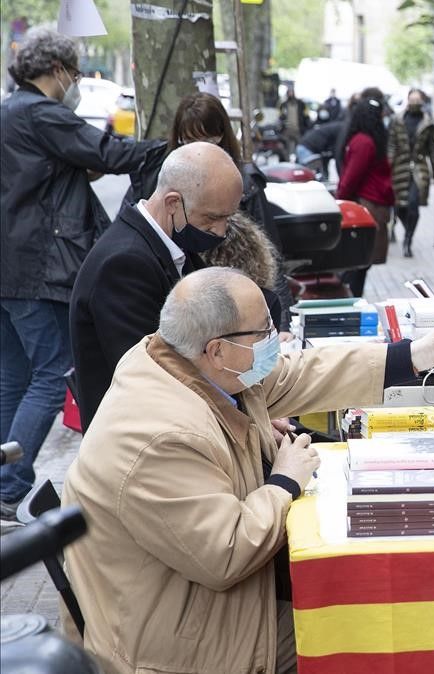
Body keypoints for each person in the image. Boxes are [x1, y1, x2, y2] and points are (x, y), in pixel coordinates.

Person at [61, 267, 434, 674]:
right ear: (216, 349)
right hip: (179, 641)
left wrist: (417, 354)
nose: (273, 342)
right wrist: (284, 481)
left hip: (195, 600)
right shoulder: (161, 434)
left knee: (371, 611)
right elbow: (225, 553)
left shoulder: (191, 365)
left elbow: (299, 374)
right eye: (262, 332)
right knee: (365, 634)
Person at [0, 28, 158, 515]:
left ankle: (1, 481)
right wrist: (166, 150)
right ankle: (9, 486)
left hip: (9, 266)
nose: (77, 80)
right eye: (75, 71)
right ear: (57, 70)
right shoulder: (43, 113)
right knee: (50, 375)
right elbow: (106, 152)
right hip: (41, 266)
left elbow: (54, 169)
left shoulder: (8, 112)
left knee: (12, 377)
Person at [70, 143, 243, 432]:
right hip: (139, 440)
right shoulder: (123, 265)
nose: (221, 231)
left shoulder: (171, 244)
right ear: (173, 203)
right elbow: (160, 373)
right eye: (212, 218)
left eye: (227, 218)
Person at [129, 92, 293, 326]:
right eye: (190, 140)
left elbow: (271, 255)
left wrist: (283, 320)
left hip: (237, 305)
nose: (201, 149)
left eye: (209, 139)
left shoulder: (245, 185)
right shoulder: (158, 183)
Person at [337, 97, 395, 297]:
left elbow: (351, 177)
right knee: (361, 264)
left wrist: (338, 201)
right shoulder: (374, 141)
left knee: (356, 263)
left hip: (365, 205)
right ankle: (354, 300)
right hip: (376, 205)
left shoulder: (362, 142)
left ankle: (350, 302)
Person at [390, 88, 434, 256]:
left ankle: (408, 239)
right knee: (399, 206)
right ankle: (405, 229)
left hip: (419, 168)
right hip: (399, 167)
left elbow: (432, 147)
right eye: (412, 100)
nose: (414, 104)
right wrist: (388, 165)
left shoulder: (428, 123)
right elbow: (391, 144)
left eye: (418, 101)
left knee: (413, 204)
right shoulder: (397, 120)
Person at [296, 107, 340, 179]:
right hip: (309, 148)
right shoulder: (316, 124)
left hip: (313, 149)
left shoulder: (330, 124)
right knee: (306, 175)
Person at [278, 86, 310, 160]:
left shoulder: (301, 104)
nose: (290, 94)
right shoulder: (283, 104)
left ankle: (299, 162)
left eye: (291, 92)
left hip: (298, 129)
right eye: (289, 92)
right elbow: (280, 117)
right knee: (286, 149)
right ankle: (287, 163)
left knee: (300, 147)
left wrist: (306, 127)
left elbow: (306, 116)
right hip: (287, 130)